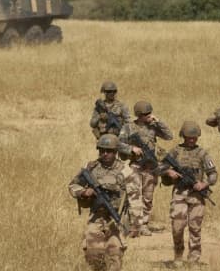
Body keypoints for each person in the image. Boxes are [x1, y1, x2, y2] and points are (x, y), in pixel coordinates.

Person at [69, 134, 130, 271]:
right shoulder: (91, 167)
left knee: (115, 256)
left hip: (117, 219)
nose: (105, 154)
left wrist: (136, 222)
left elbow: (135, 195)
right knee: (93, 256)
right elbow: (73, 186)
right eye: (102, 150)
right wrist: (84, 192)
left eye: (109, 151)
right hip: (96, 218)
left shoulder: (125, 170)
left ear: (116, 152)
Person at [161, 121, 217, 266]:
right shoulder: (175, 152)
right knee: (177, 227)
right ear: (183, 136)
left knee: (195, 228)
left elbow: (213, 174)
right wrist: (169, 171)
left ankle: (194, 258)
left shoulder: (202, 153)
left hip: (197, 196)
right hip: (179, 194)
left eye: (194, 137)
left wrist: (204, 184)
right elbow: (160, 166)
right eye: (188, 137)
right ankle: (178, 255)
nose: (191, 140)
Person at [119, 100, 173, 237]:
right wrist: (131, 148)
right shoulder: (128, 127)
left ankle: (144, 225)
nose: (148, 116)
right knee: (134, 196)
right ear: (138, 115)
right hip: (136, 166)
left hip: (150, 167)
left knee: (148, 198)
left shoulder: (153, 127)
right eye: (145, 114)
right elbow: (118, 144)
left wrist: (158, 122)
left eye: (149, 113)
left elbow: (169, 136)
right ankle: (134, 225)